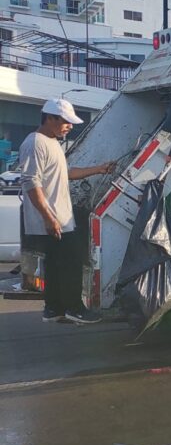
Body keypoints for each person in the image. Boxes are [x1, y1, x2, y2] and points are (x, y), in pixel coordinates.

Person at [21, 98, 114, 324]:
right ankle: (75, 309)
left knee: (54, 264)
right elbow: (31, 183)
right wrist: (48, 218)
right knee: (72, 262)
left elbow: (66, 173)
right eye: (66, 122)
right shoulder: (35, 143)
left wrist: (98, 169)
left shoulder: (52, 142)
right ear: (50, 118)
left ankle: (53, 308)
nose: (70, 126)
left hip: (58, 217)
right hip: (54, 218)